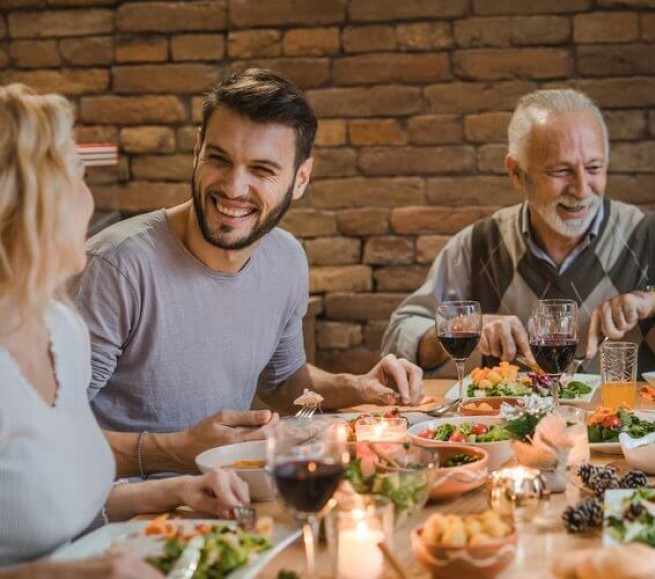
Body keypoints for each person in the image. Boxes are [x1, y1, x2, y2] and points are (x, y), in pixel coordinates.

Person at [72, 68, 424, 478]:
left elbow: (285, 386)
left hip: (227, 500)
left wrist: (355, 386)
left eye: (261, 170)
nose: (234, 189)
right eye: (219, 159)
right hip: (119, 517)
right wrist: (173, 450)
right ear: (196, 151)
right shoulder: (117, 267)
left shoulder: (287, 259)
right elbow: (42, 435)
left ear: (300, 179)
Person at [0, 84, 248, 577]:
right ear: (30, 205)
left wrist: (174, 490)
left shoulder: (59, 329)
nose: (90, 201)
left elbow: (58, 510)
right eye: (78, 177)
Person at [382, 88, 655, 375]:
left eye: (594, 168)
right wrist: (463, 327)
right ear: (516, 173)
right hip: (508, 448)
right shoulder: (476, 245)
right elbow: (399, 336)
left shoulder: (652, 238)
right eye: (560, 171)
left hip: (625, 444)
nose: (581, 189)